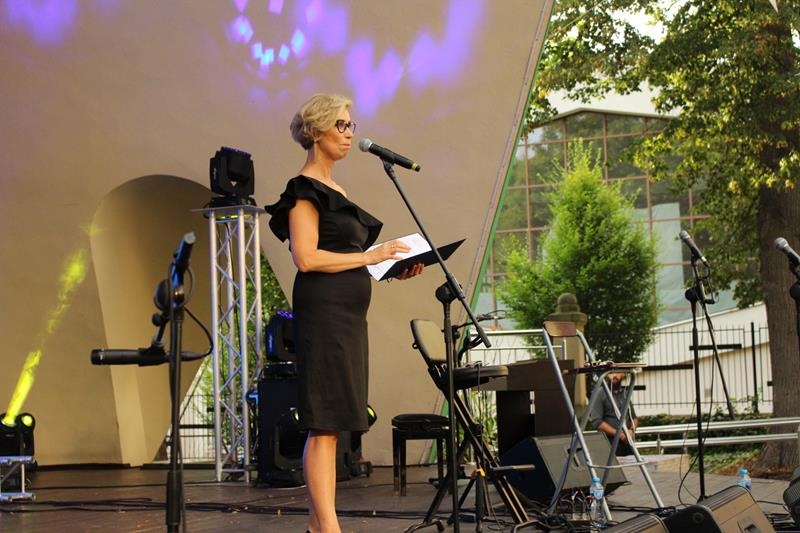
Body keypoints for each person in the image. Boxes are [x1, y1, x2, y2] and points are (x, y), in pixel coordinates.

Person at [265, 93, 423, 533]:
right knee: (324, 423)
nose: (350, 133)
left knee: (334, 425)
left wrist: (389, 267)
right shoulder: (303, 190)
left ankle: (319, 526)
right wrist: (371, 256)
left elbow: (346, 259)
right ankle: (329, 528)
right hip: (324, 316)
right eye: (341, 125)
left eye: (351, 125)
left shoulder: (337, 191)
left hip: (349, 319)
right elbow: (307, 258)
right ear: (317, 131)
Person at [588, 372, 639, 456]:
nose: (614, 375)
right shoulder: (600, 393)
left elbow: (634, 417)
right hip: (609, 444)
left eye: (617, 372)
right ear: (607, 375)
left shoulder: (624, 393)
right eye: (611, 373)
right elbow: (597, 422)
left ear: (623, 374)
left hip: (628, 443)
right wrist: (620, 435)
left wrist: (631, 431)